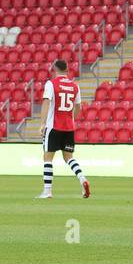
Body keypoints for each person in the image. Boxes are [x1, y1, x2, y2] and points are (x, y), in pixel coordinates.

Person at [36, 59, 90, 200]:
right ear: (67, 70)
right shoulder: (75, 86)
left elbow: (46, 103)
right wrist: (71, 119)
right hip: (69, 127)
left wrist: (42, 123)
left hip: (54, 127)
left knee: (47, 157)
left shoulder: (51, 84)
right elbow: (78, 107)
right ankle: (82, 178)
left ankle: (47, 191)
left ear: (55, 70)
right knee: (69, 158)